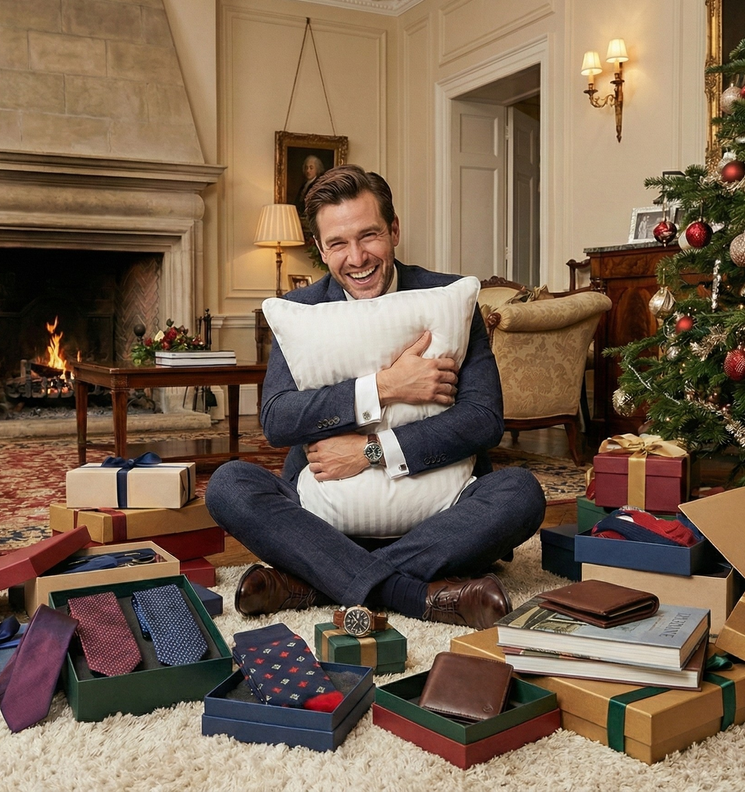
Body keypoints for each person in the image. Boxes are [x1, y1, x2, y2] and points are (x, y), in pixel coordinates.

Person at [206, 165, 546, 630]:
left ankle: (315, 579)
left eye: (369, 236)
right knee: (229, 485)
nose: (357, 257)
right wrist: (385, 387)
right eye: (338, 244)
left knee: (520, 494)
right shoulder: (303, 310)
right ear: (321, 249)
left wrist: (371, 452)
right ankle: (412, 592)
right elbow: (278, 419)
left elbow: (483, 419)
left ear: (395, 231)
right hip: (326, 513)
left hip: (438, 517)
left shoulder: (449, 297)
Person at [294, 154, 326, 220]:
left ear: (317, 169)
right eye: (306, 168)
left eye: (311, 168)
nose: (308, 171)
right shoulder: (304, 185)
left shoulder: (318, 185)